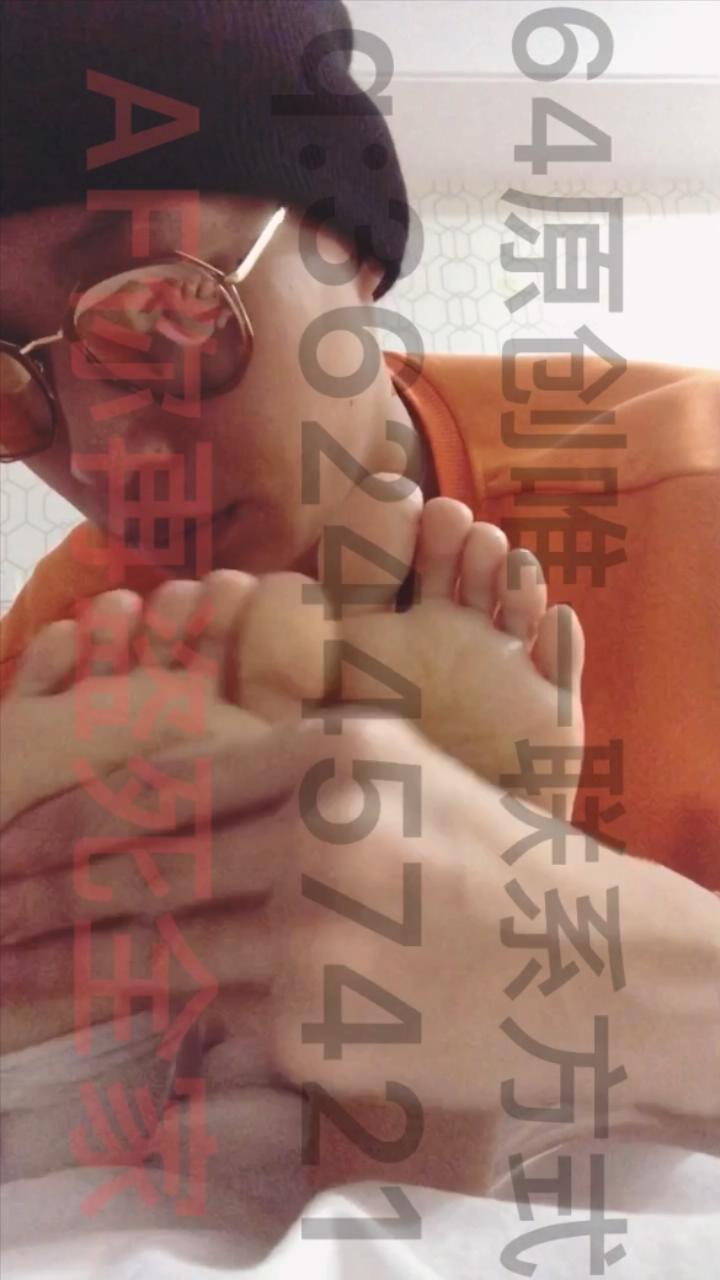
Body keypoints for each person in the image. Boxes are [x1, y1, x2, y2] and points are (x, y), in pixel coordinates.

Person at [0, 1, 718, 1276]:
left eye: (160, 312)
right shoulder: (60, 652)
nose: (107, 454)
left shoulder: (691, 500)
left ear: (350, 242)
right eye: (8, 387)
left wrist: (601, 958)